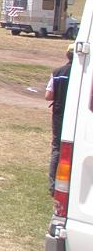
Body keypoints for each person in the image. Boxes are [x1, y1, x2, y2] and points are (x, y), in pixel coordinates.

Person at [46, 43, 74, 194]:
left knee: (57, 148)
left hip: (59, 115)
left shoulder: (57, 72)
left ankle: (53, 185)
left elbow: (48, 96)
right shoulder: (83, 74)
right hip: (75, 116)